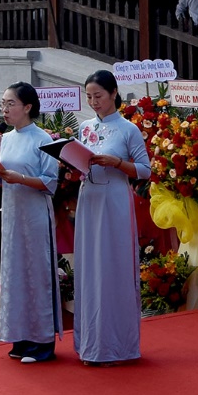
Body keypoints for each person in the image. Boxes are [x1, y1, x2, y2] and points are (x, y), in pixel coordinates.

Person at [73, 70, 151, 365]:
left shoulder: (128, 129)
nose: (93, 102)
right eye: (89, 97)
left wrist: (117, 162)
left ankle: (119, 347)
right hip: (89, 199)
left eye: (99, 96)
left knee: (114, 269)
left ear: (114, 93)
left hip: (116, 201)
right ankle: (91, 345)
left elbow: (145, 170)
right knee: (90, 270)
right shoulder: (84, 128)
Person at [0, 83, 61, 363]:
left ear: (27, 107)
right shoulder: (5, 138)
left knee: (36, 276)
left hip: (35, 215)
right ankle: (19, 338)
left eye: (10, 104)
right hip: (12, 216)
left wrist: (20, 179)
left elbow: (50, 182)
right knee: (14, 275)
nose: (5, 110)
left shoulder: (43, 139)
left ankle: (41, 344)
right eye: (2, 104)